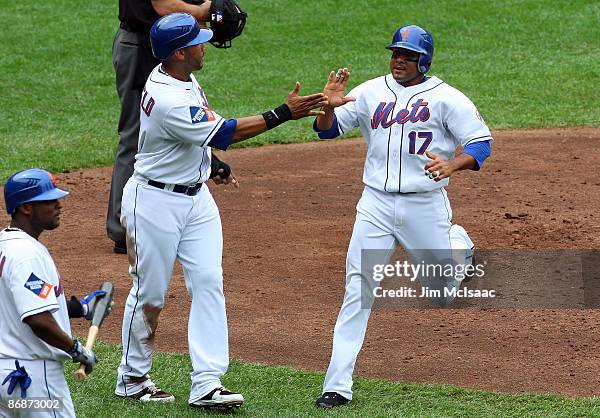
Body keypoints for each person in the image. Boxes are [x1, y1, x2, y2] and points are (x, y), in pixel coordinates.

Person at [114, 13, 328, 410]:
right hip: (154, 203)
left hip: (196, 200)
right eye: (197, 41)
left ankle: (207, 382)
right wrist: (284, 112)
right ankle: (132, 377)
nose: (204, 45)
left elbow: (194, 136)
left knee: (208, 282)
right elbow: (224, 132)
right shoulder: (167, 97)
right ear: (179, 53)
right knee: (151, 293)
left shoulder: (180, 76)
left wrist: (210, 165)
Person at [312, 25, 494, 408]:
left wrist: (452, 165)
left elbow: (480, 143)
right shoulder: (368, 92)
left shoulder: (448, 98)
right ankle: (337, 385)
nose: (399, 59)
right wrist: (328, 107)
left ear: (423, 60)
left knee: (441, 293)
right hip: (375, 204)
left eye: (408, 55)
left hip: (424, 205)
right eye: (395, 52)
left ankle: (459, 245)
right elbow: (326, 132)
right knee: (357, 291)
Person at [108, 0, 245, 254]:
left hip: (167, 42)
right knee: (135, 133)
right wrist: (205, 12)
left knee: (176, 116)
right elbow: (163, 5)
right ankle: (125, 229)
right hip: (141, 44)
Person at [0, 169, 112, 418]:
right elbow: (36, 319)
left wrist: (80, 308)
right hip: (33, 381)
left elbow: (18, 301)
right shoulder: (27, 254)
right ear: (26, 208)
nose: (59, 205)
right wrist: (76, 349)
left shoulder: (5, 247)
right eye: (49, 200)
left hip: (7, 385)